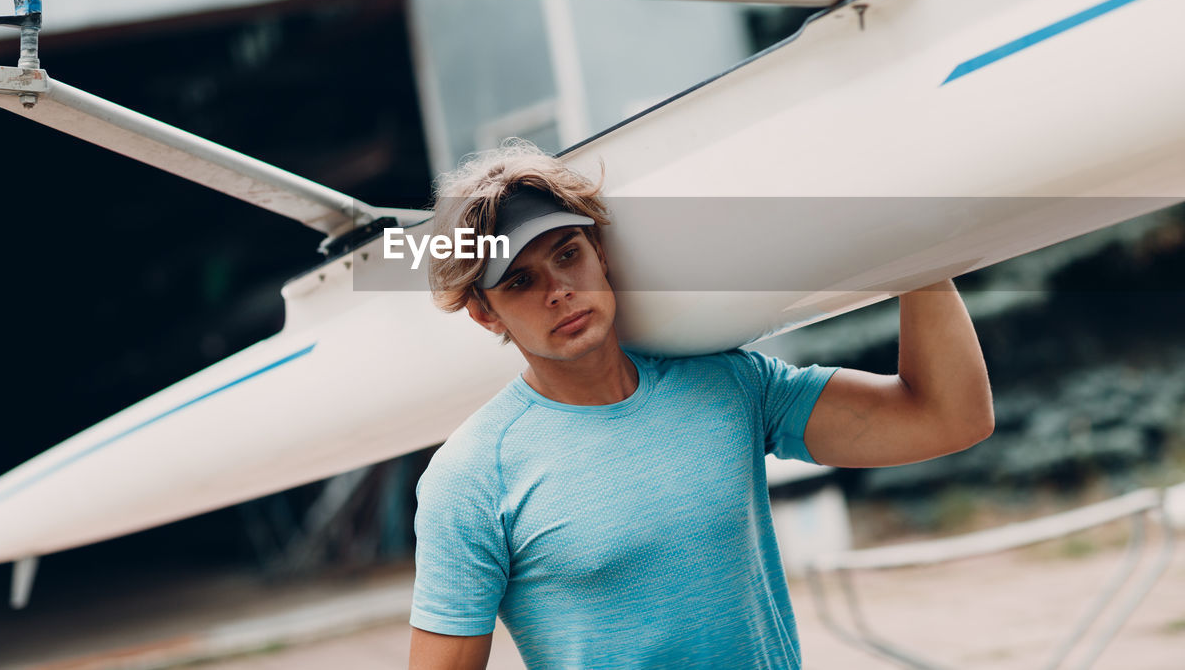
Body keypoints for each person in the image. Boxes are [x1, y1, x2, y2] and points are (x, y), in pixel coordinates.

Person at [409, 143, 993, 670]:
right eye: (519, 282)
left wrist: (919, 260)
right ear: (485, 313)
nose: (559, 289)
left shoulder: (727, 383)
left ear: (600, 254)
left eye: (568, 255)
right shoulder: (470, 478)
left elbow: (948, 418)